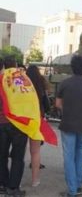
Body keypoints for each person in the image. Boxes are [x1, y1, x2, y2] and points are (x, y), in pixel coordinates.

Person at [56, 55, 82, 197]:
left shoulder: (65, 83)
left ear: (72, 67)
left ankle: (72, 191)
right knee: (80, 155)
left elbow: (57, 104)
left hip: (68, 124)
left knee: (69, 156)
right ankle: (78, 186)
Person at [0, 56, 27, 197]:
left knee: (1, 156)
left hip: (1, 124)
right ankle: (13, 188)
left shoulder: (1, 79)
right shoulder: (21, 80)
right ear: (16, 66)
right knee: (17, 157)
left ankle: (2, 185)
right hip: (18, 124)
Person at [26, 65, 49, 187]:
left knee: (19, 151)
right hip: (37, 118)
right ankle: (35, 180)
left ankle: (16, 181)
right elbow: (46, 101)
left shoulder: (23, 84)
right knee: (35, 152)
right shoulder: (41, 83)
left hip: (23, 118)